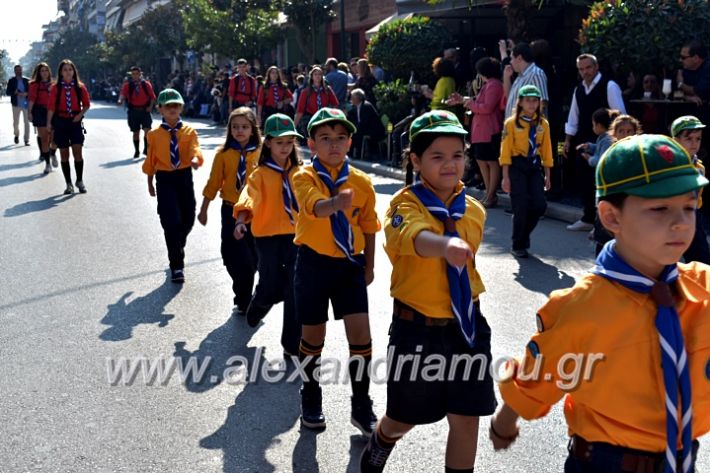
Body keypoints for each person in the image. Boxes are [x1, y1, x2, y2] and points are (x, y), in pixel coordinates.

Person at [490, 134, 710, 473]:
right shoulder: (581, 306)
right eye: (660, 208)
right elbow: (542, 373)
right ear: (611, 218)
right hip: (605, 463)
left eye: (688, 206)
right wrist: (504, 423)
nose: (681, 222)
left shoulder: (703, 288)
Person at [360, 110, 496, 473]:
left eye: (457, 155)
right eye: (437, 156)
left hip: (467, 327)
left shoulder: (474, 211)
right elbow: (413, 238)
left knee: (466, 418)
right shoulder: (404, 205)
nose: (450, 164)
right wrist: (444, 246)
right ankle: (382, 437)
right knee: (405, 418)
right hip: (417, 330)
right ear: (416, 160)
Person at [292, 108, 380, 436]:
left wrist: (369, 265)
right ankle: (311, 396)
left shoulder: (361, 181)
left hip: (350, 266)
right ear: (312, 144)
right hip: (313, 264)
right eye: (325, 139)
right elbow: (313, 206)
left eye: (340, 138)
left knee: (361, 336)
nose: (334, 145)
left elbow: (370, 226)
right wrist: (335, 205)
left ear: (350, 142)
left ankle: (361, 404)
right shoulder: (303, 176)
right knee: (313, 338)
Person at [232, 114, 303, 356]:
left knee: (295, 287)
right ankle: (259, 303)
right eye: (279, 142)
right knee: (270, 285)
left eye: (289, 142)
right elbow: (248, 196)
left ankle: (292, 344)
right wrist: (241, 219)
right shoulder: (260, 174)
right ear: (268, 143)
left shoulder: (301, 173)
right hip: (267, 237)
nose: (285, 147)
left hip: (296, 236)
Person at [197, 107, 260, 315]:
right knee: (230, 255)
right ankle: (242, 291)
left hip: (256, 211)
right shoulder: (223, 154)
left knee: (251, 258)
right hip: (230, 210)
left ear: (253, 129)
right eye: (235, 127)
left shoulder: (261, 153)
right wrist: (204, 209)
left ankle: (245, 298)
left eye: (244, 127)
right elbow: (214, 182)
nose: (239, 131)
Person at [142, 89, 203, 283]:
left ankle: (178, 244)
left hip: (184, 176)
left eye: (176, 105)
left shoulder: (189, 131)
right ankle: (176, 265)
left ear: (181, 108)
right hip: (165, 178)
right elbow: (151, 159)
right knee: (171, 222)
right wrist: (150, 183)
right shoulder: (153, 135)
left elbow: (195, 148)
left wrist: (195, 159)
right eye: (168, 106)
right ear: (160, 109)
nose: (172, 109)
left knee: (188, 217)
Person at [563, 53, 626, 232]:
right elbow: (573, 116)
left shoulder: (609, 86)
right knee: (585, 181)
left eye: (588, 67)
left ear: (596, 67)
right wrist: (568, 140)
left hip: (606, 141)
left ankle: (604, 223)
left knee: (604, 183)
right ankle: (588, 218)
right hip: (584, 139)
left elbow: (620, 114)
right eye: (581, 69)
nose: (585, 72)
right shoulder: (579, 89)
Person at [499, 85, 553, 258]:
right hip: (516, 166)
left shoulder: (543, 124)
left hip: (534, 165)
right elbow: (505, 151)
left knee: (539, 205)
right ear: (520, 102)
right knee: (520, 205)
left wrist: (547, 175)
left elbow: (547, 150)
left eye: (535, 100)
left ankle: (523, 234)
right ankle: (518, 243)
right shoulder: (511, 123)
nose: (532, 104)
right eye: (528, 100)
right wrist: (505, 177)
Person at [449, 57, 504, 208]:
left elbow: (486, 107)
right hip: (481, 130)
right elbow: (479, 102)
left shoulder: (494, 85)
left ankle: (491, 194)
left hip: (489, 129)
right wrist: (464, 100)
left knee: (491, 162)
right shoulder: (489, 85)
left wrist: (469, 103)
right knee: (482, 160)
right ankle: (489, 193)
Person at [590, 114, 642, 255]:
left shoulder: (640, 156)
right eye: (621, 131)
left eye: (629, 131)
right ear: (614, 134)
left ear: (635, 133)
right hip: (610, 205)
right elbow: (601, 187)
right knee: (603, 246)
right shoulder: (609, 156)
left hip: (630, 208)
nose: (625, 135)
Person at [46, 59, 91, 195]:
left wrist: (80, 115)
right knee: (64, 154)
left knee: (78, 152)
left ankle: (79, 180)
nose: (68, 72)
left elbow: (87, 104)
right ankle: (69, 184)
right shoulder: (56, 88)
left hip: (75, 122)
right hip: (61, 122)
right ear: (61, 72)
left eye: (70, 69)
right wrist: (49, 123)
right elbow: (51, 107)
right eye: (65, 70)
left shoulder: (80, 87)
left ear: (74, 71)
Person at [671, 115, 710, 265]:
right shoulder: (669, 166)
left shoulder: (699, 167)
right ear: (676, 141)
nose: (694, 143)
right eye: (689, 139)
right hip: (671, 217)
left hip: (693, 216)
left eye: (698, 139)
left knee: (702, 259)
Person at [502, 43, 549, 120]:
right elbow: (509, 97)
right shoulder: (520, 77)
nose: (510, 62)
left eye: (512, 58)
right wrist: (506, 77)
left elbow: (542, 103)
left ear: (519, 58)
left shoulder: (536, 74)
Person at [117, 66, 156, 158]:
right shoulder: (128, 85)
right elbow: (122, 94)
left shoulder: (146, 85)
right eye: (133, 74)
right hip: (133, 111)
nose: (135, 76)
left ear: (140, 74)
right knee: (136, 132)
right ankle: (137, 150)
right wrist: (120, 100)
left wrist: (150, 107)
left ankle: (146, 148)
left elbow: (152, 97)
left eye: (137, 74)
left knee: (147, 130)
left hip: (145, 110)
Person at [293, 66, 339, 137]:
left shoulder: (327, 90)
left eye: (319, 74)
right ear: (311, 77)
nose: (317, 76)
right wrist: (294, 127)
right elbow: (300, 110)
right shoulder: (306, 92)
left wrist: (331, 115)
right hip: (311, 119)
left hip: (324, 118)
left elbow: (335, 104)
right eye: (315, 74)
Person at [28, 62, 54, 174]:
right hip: (39, 111)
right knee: (44, 138)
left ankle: (52, 153)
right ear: (39, 73)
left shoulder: (54, 84)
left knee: (53, 137)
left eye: (46, 70)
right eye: (42, 71)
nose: (44, 73)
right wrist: (29, 112)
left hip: (53, 112)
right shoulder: (34, 85)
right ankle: (48, 163)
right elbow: (32, 99)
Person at [346, 88, 385, 160]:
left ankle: (356, 153)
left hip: (373, 129)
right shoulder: (355, 107)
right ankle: (350, 153)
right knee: (350, 132)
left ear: (358, 98)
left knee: (356, 133)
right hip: (364, 128)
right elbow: (350, 118)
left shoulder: (366, 106)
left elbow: (366, 121)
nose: (351, 99)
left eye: (352, 97)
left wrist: (356, 127)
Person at [7, 65, 30, 146]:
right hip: (15, 104)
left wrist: (26, 93)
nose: (18, 71)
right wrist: (14, 92)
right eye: (16, 70)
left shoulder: (27, 80)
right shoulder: (11, 80)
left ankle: (26, 139)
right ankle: (16, 135)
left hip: (26, 104)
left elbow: (31, 92)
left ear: (22, 70)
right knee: (16, 122)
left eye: (20, 70)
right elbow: (7, 92)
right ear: (14, 71)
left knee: (26, 122)